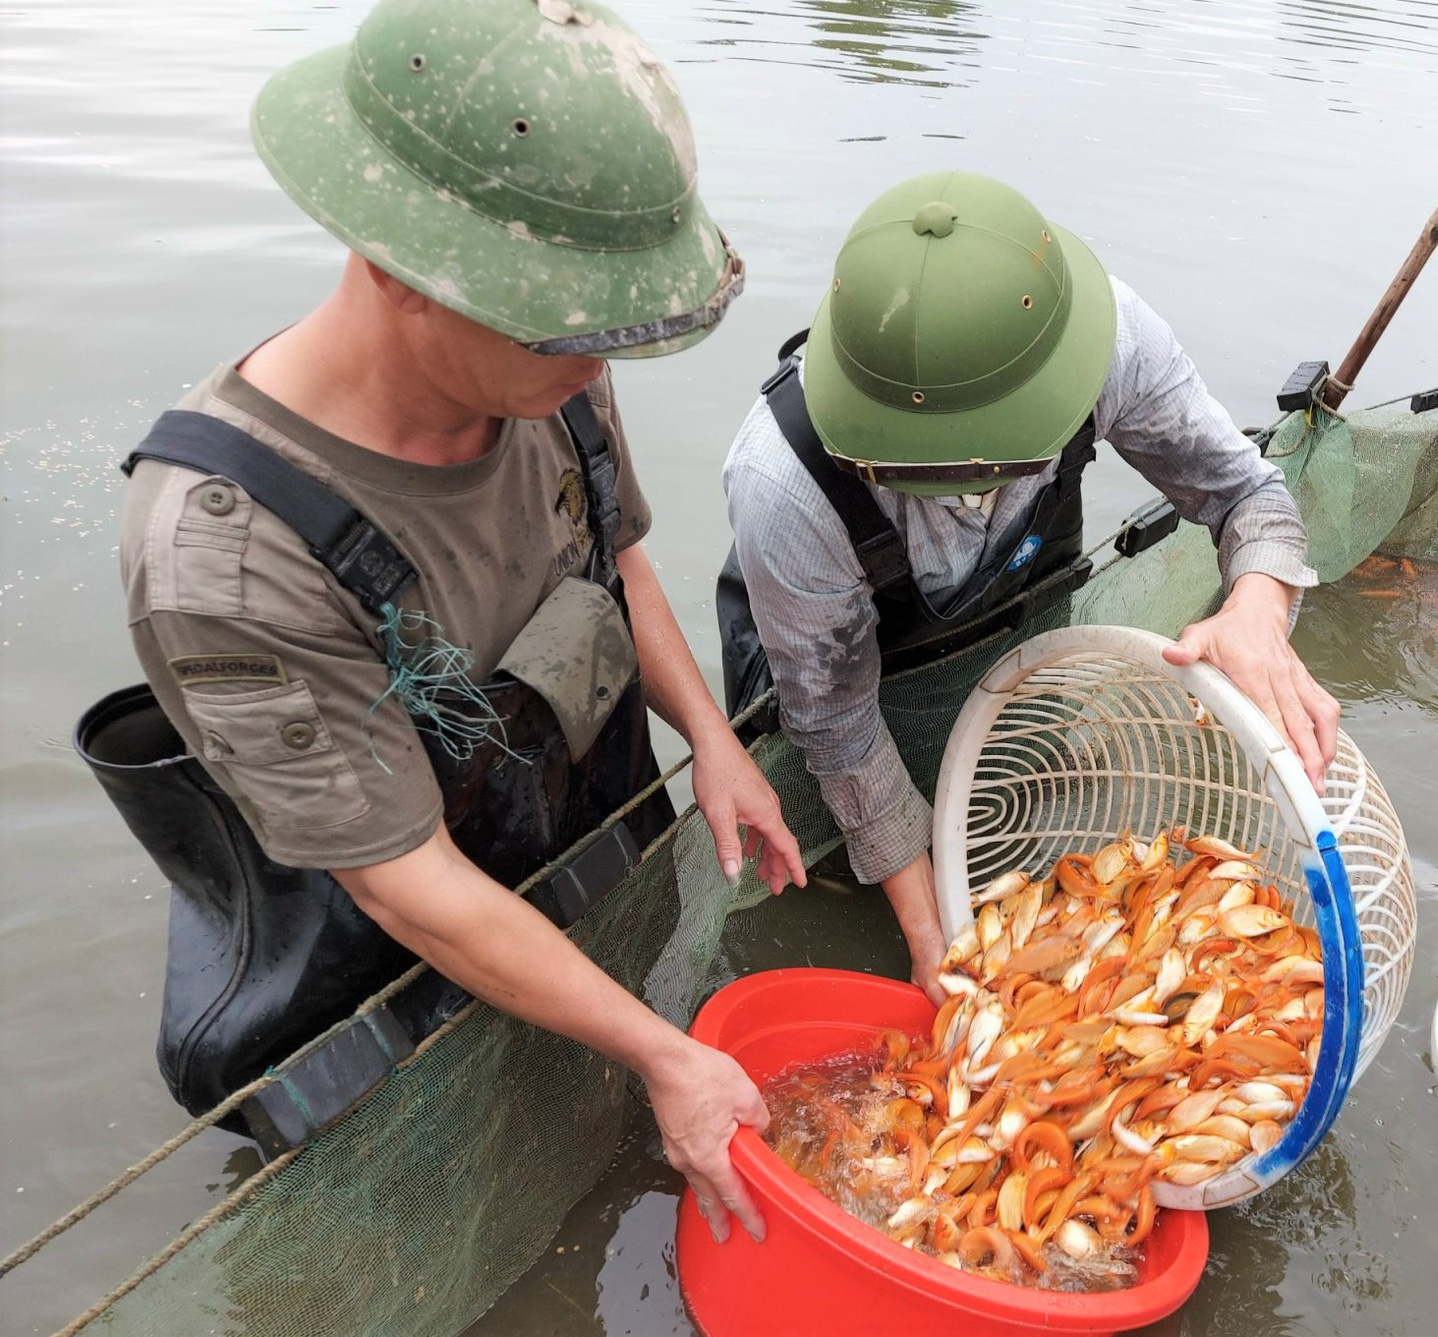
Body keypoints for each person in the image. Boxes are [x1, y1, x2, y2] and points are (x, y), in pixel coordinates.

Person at [77, 0, 794, 1245]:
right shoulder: (224, 554)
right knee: (430, 1231)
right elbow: (403, 884)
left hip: (569, 834)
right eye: (568, 326)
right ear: (406, 274)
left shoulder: (555, 366)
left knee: (621, 1088)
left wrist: (713, 742)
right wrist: (660, 1055)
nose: (598, 361)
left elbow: (614, 552)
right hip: (393, 942)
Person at [717, 171, 1341, 1001]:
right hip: (837, 676)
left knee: (1030, 804)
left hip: (1021, 626)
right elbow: (836, 725)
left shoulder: (1105, 341)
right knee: (836, 866)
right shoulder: (781, 481)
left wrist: (1258, 606)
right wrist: (926, 928)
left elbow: (1247, 494)